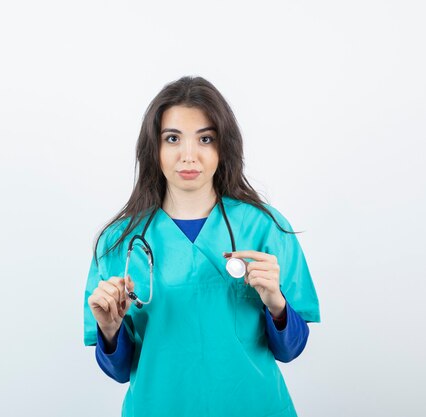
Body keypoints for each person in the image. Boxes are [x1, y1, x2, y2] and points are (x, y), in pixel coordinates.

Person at [82, 76, 320, 417]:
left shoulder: (263, 228)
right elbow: (119, 371)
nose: (188, 155)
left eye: (205, 139)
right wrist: (109, 330)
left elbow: (290, 351)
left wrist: (277, 305)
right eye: (173, 138)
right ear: (155, 148)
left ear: (223, 147)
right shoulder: (118, 242)